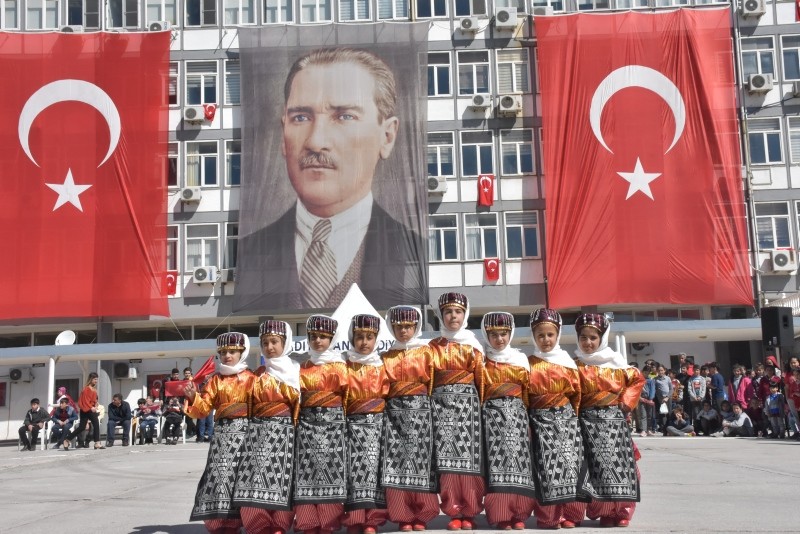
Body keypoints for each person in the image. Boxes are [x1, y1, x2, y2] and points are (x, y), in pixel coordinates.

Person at [236, 47, 424, 311]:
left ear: (387, 136)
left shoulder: (416, 251)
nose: (316, 141)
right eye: (300, 118)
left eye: (344, 116)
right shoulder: (249, 253)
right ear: (283, 134)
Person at [565, 313, 644, 529]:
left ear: (602, 338)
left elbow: (637, 380)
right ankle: (598, 511)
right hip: (585, 424)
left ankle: (621, 511)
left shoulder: (617, 364)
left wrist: (625, 404)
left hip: (613, 424)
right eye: (583, 337)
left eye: (593, 337)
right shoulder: (574, 366)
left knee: (618, 467)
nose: (588, 342)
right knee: (588, 469)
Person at [185, 332, 256, 532]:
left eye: (232, 351)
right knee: (219, 477)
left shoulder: (253, 379)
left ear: (242, 352)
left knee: (241, 478)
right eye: (223, 352)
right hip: (222, 436)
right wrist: (193, 398)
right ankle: (218, 522)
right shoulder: (215, 380)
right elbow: (203, 409)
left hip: (246, 435)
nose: (227, 355)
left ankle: (238, 522)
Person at [234, 320, 300, 534]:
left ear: (285, 342)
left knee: (283, 477)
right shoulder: (257, 374)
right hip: (258, 433)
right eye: (265, 343)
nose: (269, 347)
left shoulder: (296, 371)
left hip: (285, 433)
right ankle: (259, 524)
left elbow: (300, 405)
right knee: (256, 477)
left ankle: (280, 524)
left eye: (274, 342)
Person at [380, 306, 440, 533]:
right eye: (398, 326)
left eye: (408, 326)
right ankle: (402, 515)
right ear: (391, 327)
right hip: (393, 415)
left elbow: (433, 384)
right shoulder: (386, 356)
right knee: (396, 464)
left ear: (416, 327)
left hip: (421, 414)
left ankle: (422, 514)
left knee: (422, 463)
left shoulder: (426, 352)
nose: (403, 330)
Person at [429, 292, 485, 531]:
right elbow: (428, 380)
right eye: (448, 312)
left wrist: (481, 411)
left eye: (458, 311)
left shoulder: (473, 346)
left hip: (468, 411)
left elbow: (482, 381)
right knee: (447, 463)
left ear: (466, 314)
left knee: (471, 465)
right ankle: (453, 511)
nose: (453, 316)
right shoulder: (432, 347)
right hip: (441, 410)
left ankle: (470, 512)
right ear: (441, 316)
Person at [479, 311, 535, 530]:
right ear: (486, 334)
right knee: (496, 468)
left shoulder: (521, 360)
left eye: (504, 333)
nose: (499, 339)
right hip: (492, 421)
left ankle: (519, 513)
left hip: (517, 421)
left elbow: (528, 394)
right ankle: (500, 515)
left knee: (520, 465)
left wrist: (529, 421)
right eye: (494, 334)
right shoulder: (483, 361)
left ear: (510, 334)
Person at [527, 308, 582, 530]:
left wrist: (573, 421)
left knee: (570, 466)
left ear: (557, 335)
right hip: (539, 422)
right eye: (540, 335)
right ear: (533, 337)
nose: (546, 340)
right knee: (545, 469)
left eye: (550, 334)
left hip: (566, 421)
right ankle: (548, 516)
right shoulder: (528, 363)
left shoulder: (568, 362)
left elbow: (576, 395)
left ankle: (571, 514)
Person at [293, 315, 349, 534]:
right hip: (306, 427)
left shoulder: (340, 367)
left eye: (323, 337)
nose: (318, 341)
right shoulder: (302, 367)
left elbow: (347, 398)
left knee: (331, 472)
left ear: (332, 338)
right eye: (313, 336)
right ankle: (307, 522)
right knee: (306, 473)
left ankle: (329, 522)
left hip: (333, 428)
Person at [341, 314, 389, 534]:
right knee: (353, 471)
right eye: (359, 337)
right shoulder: (344, 366)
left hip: (377, 426)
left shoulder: (382, 365)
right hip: (351, 424)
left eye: (369, 337)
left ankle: (372, 520)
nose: (364, 342)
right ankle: (354, 519)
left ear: (376, 339)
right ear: (352, 338)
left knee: (374, 471)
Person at [63, 372, 104, 450]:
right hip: (86, 410)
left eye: (97, 379)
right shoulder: (86, 389)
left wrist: (95, 404)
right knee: (89, 426)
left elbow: (93, 400)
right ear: (91, 379)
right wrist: (91, 407)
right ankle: (97, 443)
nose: (96, 381)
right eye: (95, 379)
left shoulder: (94, 389)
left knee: (87, 426)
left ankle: (67, 439)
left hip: (89, 409)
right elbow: (85, 401)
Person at [635, 364, 655, 437]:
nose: (646, 374)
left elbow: (652, 390)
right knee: (643, 415)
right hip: (641, 398)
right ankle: (643, 430)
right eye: (645, 372)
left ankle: (649, 429)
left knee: (649, 415)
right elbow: (636, 389)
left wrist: (651, 398)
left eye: (648, 373)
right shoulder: (639, 379)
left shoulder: (651, 380)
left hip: (649, 398)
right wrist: (639, 397)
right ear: (642, 371)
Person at [653, 365, 673, 435]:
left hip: (668, 398)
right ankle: (664, 429)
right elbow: (655, 390)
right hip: (661, 399)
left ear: (664, 371)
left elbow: (671, 389)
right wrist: (661, 399)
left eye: (662, 370)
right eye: (659, 370)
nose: (660, 372)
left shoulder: (668, 378)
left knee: (669, 413)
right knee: (663, 414)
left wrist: (667, 397)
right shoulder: (655, 379)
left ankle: (669, 428)